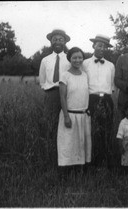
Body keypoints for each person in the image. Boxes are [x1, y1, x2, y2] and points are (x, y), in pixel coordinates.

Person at [57, 47, 91, 180]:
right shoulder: (65, 75)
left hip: (83, 115)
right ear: (70, 59)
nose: (78, 60)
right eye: (74, 58)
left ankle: (80, 173)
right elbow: (62, 97)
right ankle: (65, 174)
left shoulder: (85, 75)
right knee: (68, 144)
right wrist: (66, 116)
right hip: (70, 115)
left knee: (81, 144)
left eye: (80, 57)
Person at [38, 29, 71, 167]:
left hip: (67, 94)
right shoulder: (45, 60)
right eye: (55, 39)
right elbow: (42, 80)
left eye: (60, 39)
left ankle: (67, 157)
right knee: (50, 124)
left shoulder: (70, 58)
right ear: (51, 42)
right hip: (51, 94)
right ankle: (50, 157)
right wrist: (49, 90)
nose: (57, 41)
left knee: (67, 123)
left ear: (65, 42)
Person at [83, 34, 116, 170]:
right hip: (91, 99)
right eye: (99, 45)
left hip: (106, 99)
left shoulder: (110, 65)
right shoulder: (85, 63)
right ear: (94, 46)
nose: (102, 48)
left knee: (106, 130)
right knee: (91, 131)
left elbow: (112, 86)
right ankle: (91, 162)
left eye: (105, 46)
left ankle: (105, 161)